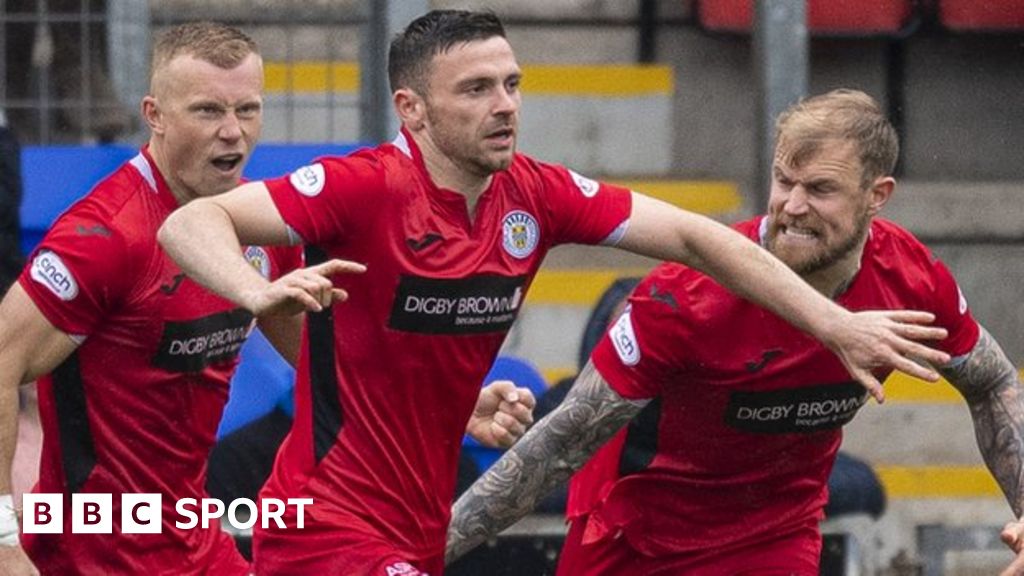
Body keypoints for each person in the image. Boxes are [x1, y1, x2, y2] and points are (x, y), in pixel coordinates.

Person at [157, 11, 949, 575]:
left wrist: (833, 325)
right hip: (327, 530)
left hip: (417, 530)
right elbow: (193, 225)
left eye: (512, 83)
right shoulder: (361, 188)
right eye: (475, 90)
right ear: (413, 110)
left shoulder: (536, 196)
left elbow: (696, 238)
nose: (505, 104)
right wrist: (254, 294)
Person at [444, 89, 1024, 575]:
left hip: (774, 538)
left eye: (819, 189)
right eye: (782, 181)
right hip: (636, 539)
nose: (791, 207)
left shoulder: (911, 280)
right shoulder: (686, 298)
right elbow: (565, 440)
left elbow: (992, 382)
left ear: (878, 197)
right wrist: (428, 551)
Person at [0, 21, 308, 575]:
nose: (233, 132)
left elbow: (324, 362)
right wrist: (2, 541)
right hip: (92, 549)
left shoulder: (256, 223)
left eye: (248, 109)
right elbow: (1, 360)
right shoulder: (105, 237)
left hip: (194, 535)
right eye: (208, 111)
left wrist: (450, 402)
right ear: (155, 116)